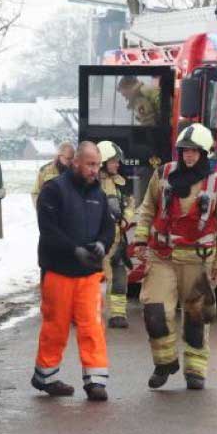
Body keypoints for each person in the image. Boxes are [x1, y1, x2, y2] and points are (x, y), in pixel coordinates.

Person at [134, 123, 217, 391]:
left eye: (194, 152)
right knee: (155, 312)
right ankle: (165, 362)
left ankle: (195, 369)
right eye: (185, 151)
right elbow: (147, 209)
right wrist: (140, 240)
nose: (189, 156)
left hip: (199, 261)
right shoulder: (163, 174)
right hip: (162, 257)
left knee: (196, 317)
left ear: (204, 154)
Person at [33, 141, 116, 401]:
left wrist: (103, 243)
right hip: (58, 271)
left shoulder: (99, 194)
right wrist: (73, 250)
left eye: (98, 165)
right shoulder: (53, 190)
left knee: (92, 327)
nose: (95, 170)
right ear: (76, 162)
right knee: (55, 326)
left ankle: (95, 381)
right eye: (91, 164)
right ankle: (46, 377)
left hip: (89, 274)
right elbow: (48, 230)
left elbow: (108, 228)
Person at [97, 140, 133, 329]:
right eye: (113, 161)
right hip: (97, 241)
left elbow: (129, 204)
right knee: (91, 280)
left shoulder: (121, 183)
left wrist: (125, 218)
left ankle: (118, 314)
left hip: (118, 239)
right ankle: (85, 313)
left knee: (119, 277)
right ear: (103, 161)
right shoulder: (91, 183)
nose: (117, 164)